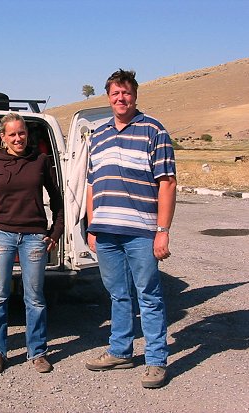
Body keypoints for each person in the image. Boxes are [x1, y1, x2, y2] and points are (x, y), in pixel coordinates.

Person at [84, 69, 177, 388]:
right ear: (108, 97)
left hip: (141, 231)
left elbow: (167, 183)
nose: (120, 98)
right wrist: (91, 225)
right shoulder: (98, 134)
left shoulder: (154, 131)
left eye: (126, 93)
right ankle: (121, 351)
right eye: (115, 93)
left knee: (149, 295)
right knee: (117, 295)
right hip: (106, 231)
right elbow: (91, 184)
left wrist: (162, 230)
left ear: (134, 95)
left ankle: (155, 360)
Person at [0, 113, 64, 374]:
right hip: (0, 235)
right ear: (3, 137)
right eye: (12, 134)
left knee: (35, 298)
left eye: (22, 133)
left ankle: (37, 352)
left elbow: (57, 200)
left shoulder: (39, 160)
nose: (18, 138)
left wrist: (55, 232)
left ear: (27, 134)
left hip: (34, 237)